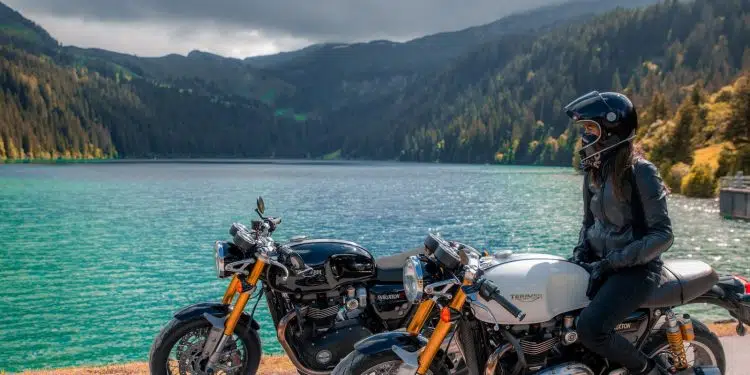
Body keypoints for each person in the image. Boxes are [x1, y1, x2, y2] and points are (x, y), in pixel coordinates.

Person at [563, 91, 674, 375]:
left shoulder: (641, 172)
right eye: (584, 129)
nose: (584, 136)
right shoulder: (594, 173)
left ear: (611, 130)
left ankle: (648, 369)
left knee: (590, 329)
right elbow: (588, 225)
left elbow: (663, 235)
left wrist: (612, 262)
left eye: (590, 129)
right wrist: (579, 257)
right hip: (603, 266)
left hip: (638, 270)